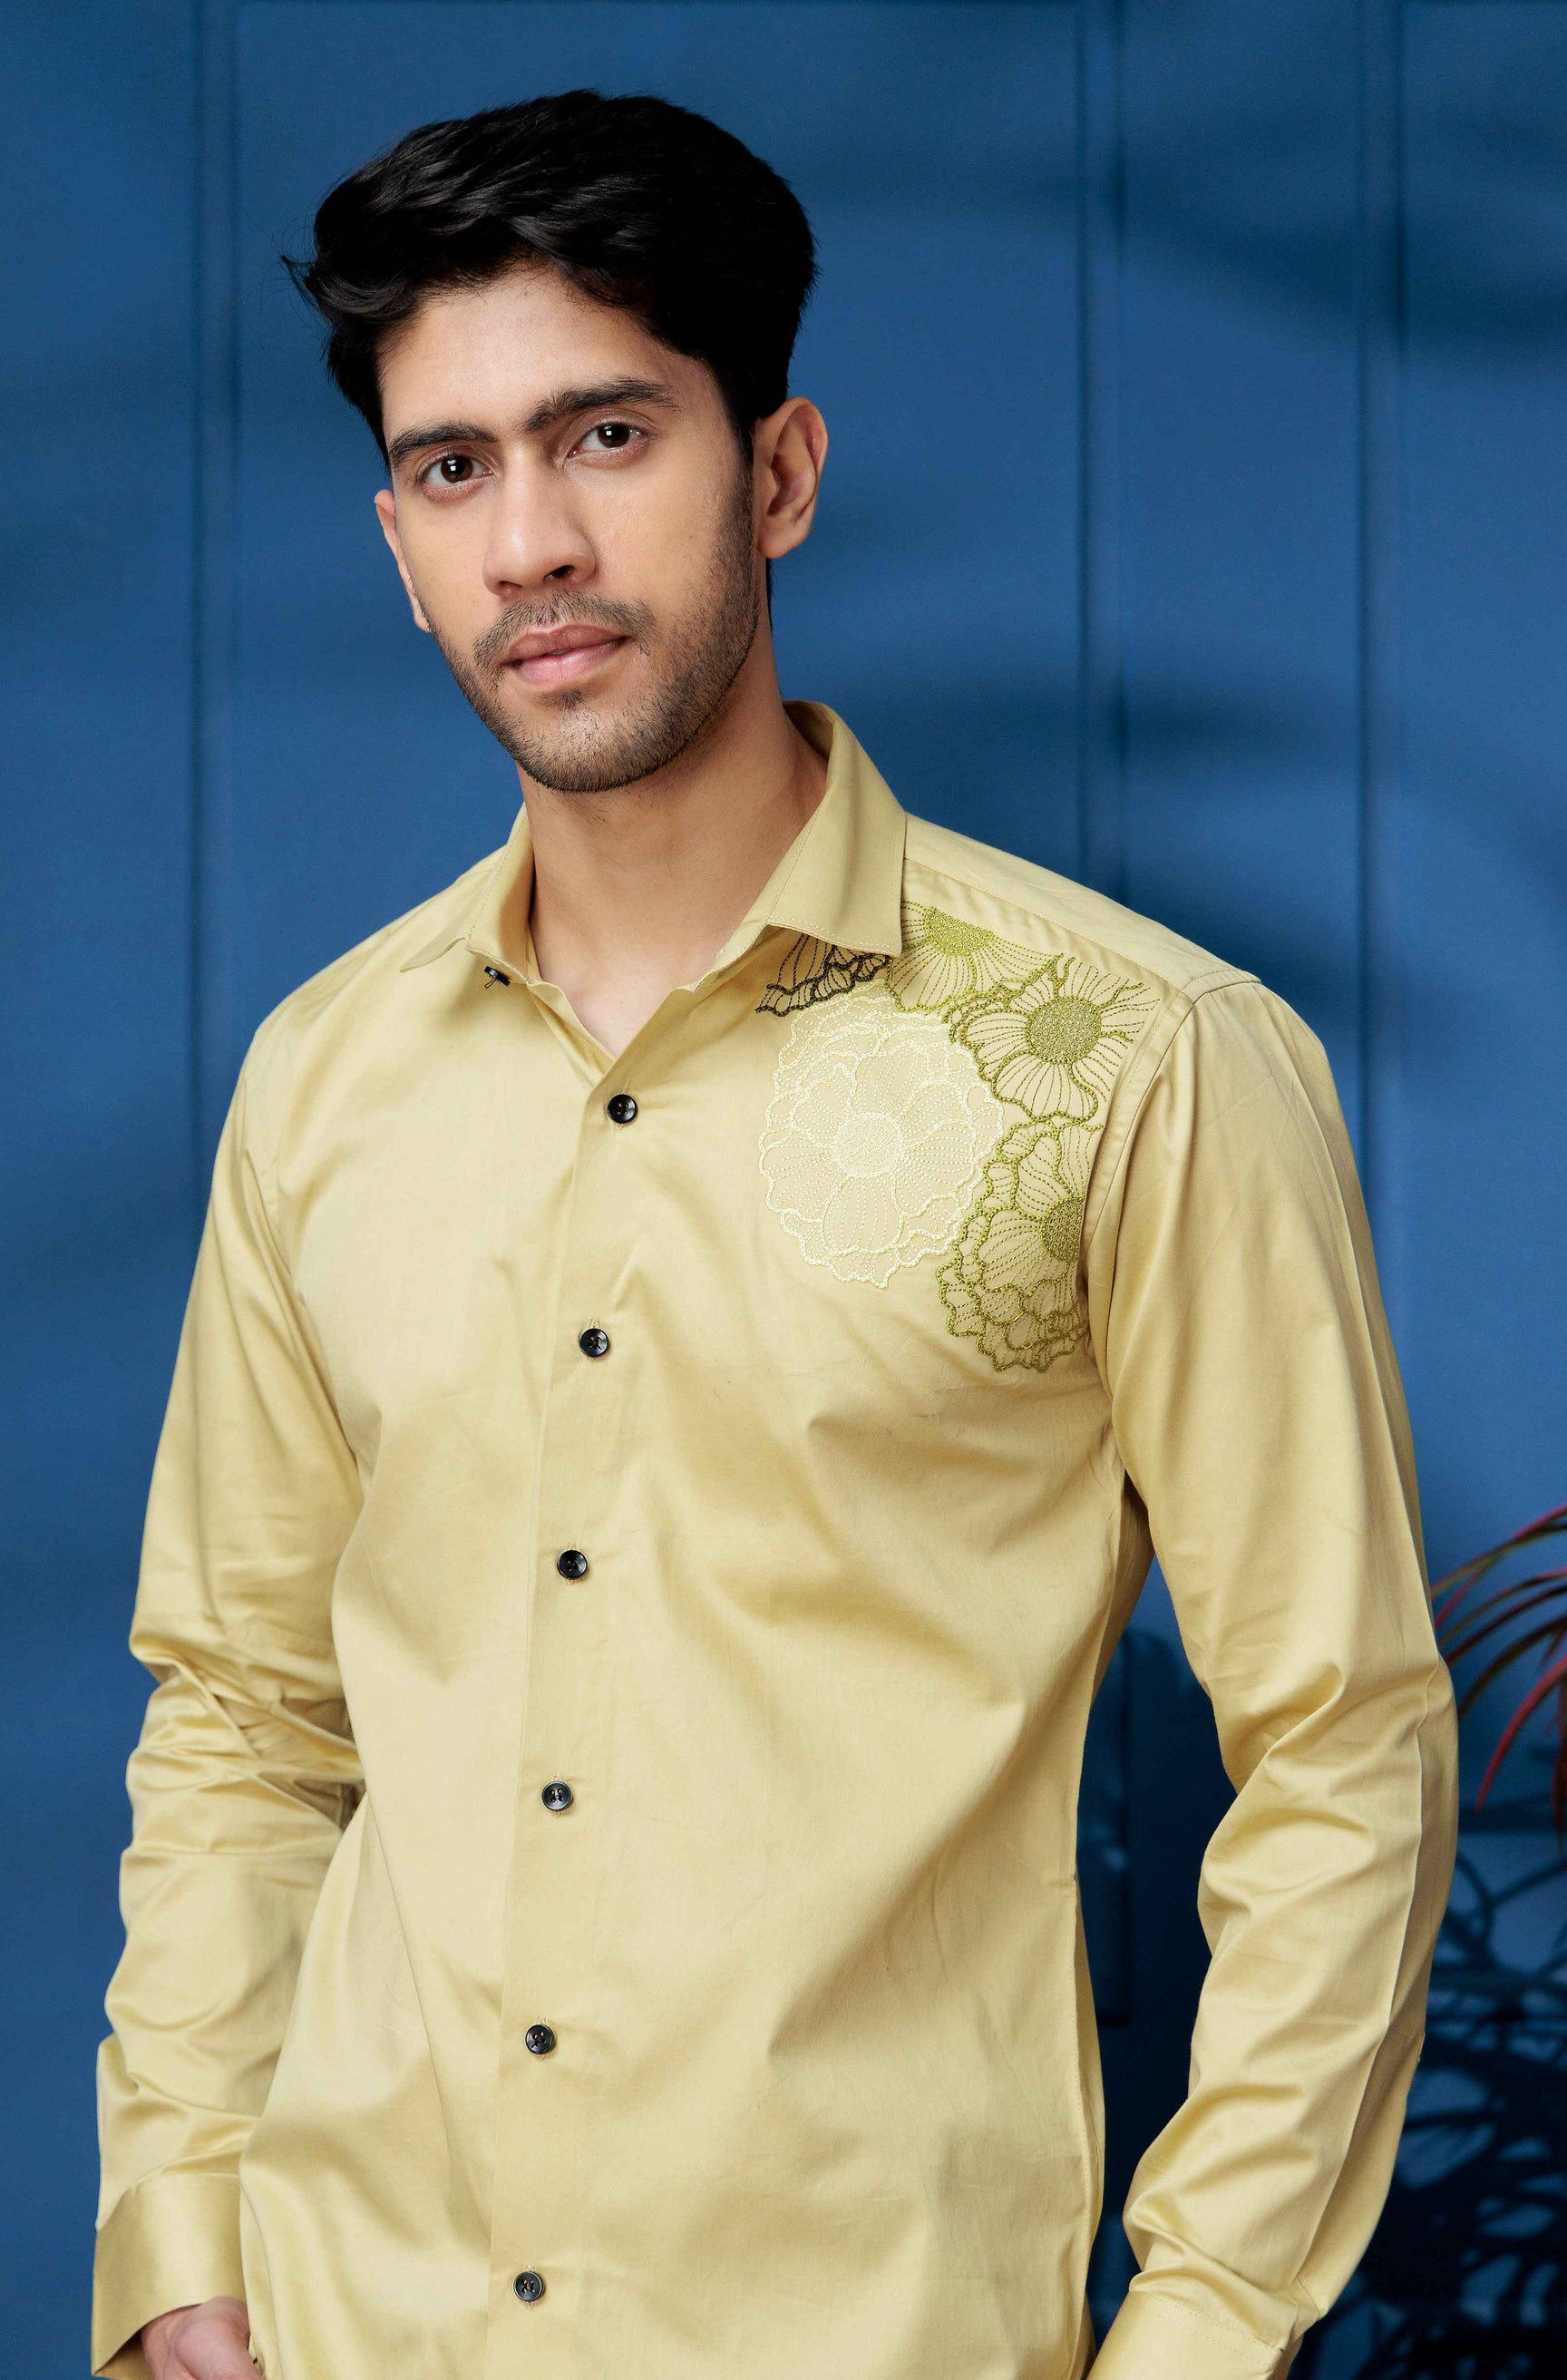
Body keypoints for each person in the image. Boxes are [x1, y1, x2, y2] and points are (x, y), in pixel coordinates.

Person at [93, 86, 1457, 2380]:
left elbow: (1347, 1747)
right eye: (456, 469)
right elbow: (243, 1714)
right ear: (400, 543)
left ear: (782, 471)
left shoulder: (1140, 1058)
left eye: (608, 434)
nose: (533, 541)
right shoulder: (323, 1080)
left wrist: (1204, 2333)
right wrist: (177, 2249)